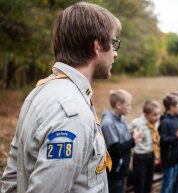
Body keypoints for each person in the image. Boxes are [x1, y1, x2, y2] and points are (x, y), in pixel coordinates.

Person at [1, 2, 121, 193]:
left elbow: (12, 177)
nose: (115, 53)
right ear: (97, 45)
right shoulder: (70, 111)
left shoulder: (40, 92)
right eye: (114, 43)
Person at [101, 89, 142, 193]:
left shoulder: (121, 118)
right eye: (128, 105)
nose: (130, 107)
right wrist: (133, 141)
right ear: (119, 105)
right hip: (115, 170)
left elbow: (123, 139)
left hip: (123, 167)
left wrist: (133, 137)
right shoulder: (108, 123)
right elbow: (116, 148)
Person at [128, 100, 161, 193]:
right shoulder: (137, 123)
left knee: (148, 183)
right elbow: (125, 132)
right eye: (154, 115)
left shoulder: (155, 122)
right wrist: (133, 137)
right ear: (146, 115)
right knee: (139, 185)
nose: (157, 117)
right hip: (140, 158)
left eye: (158, 114)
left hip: (151, 156)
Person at [159, 94, 178, 193]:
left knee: (173, 180)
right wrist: (175, 137)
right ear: (171, 108)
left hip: (176, 156)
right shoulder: (165, 122)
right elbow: (162, 140)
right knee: (168, 182)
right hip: (168, 159)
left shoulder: (176, 118)